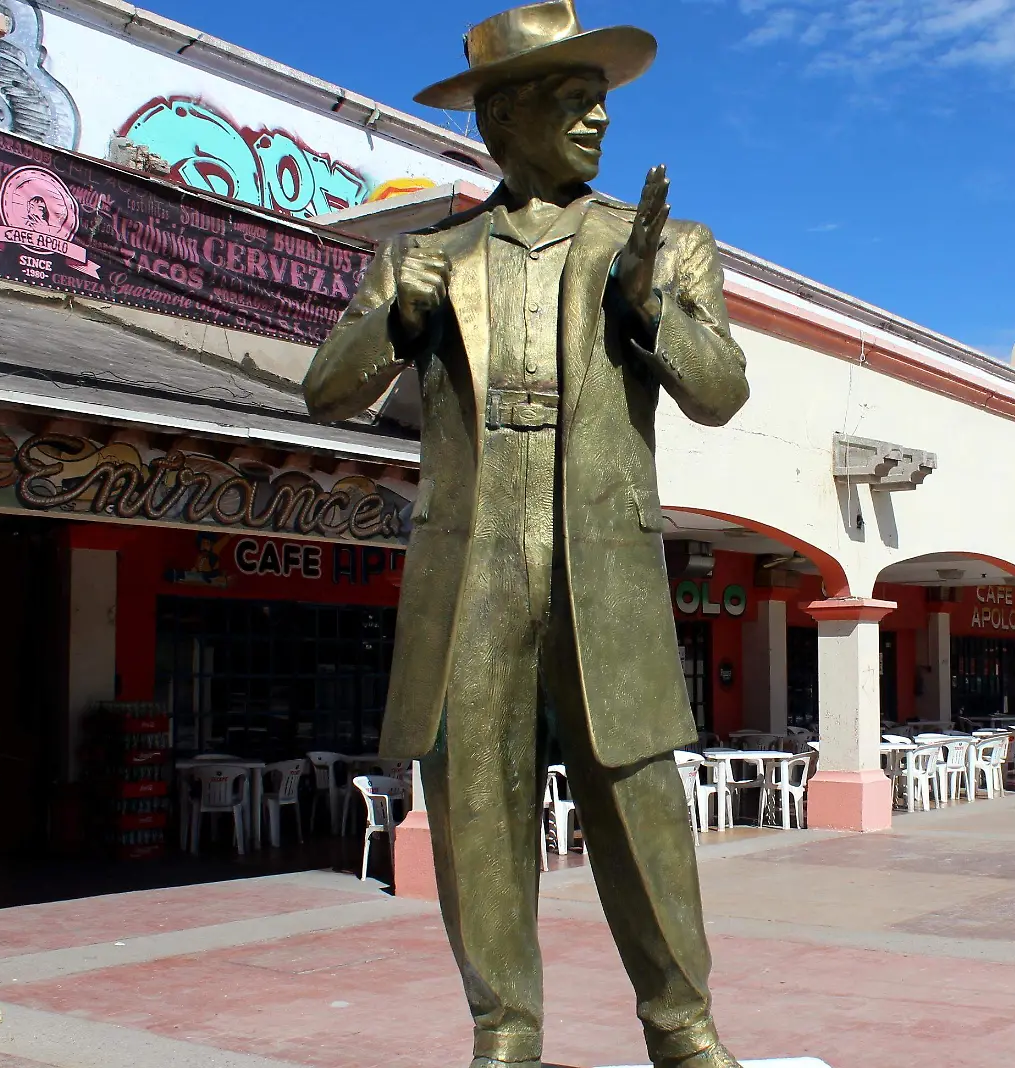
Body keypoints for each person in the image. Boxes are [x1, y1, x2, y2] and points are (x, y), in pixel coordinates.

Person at [301, 4, 747, 1066]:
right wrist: (393, 318)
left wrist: (650, 309)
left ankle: (681, 1027)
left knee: (639, 801)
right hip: (474, 560)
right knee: (474, 809)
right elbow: (326, 392)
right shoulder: (426, 256)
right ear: (504, 118)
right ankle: (503, 1028)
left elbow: (722, 391)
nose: (597, 118)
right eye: (569, 99)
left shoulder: (663, 247)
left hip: (602, 559)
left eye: (599, 100)